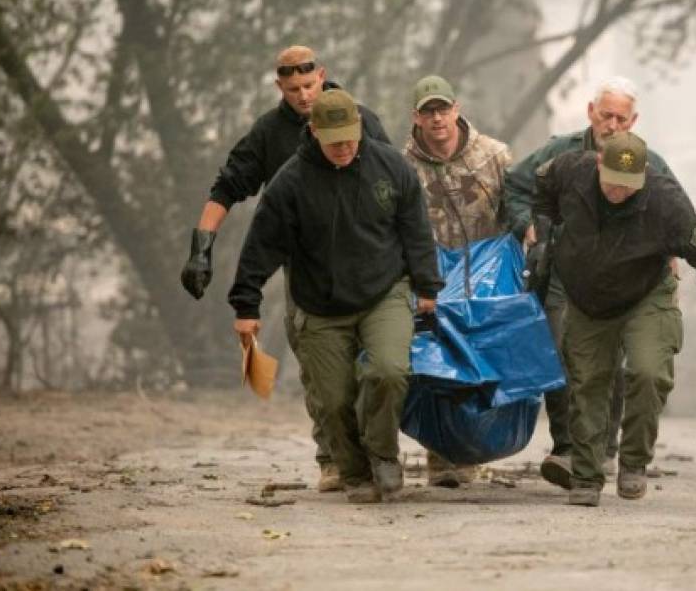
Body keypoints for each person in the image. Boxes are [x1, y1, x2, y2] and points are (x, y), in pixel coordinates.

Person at [180, 46, 391, 493]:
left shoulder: (362, 119)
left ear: (323, 76)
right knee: (319, 364)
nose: (303, 95)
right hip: (307, 265)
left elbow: (393, 182)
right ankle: (331, 457)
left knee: (374, 362)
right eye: (293, 89)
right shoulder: (270, 133)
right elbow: (228, 186)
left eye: (309, 85)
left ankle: (373, 452)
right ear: (280, 88)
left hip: (365, 259)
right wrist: (202, 247)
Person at [228, 88, 443, 503]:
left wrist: (427, 285)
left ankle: (382, 453)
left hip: (384, 291)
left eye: (349, 138)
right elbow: (261, 245)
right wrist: (246, 304)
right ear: (313, 132)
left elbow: (415, 229)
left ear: (360, 128)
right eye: (333, 141)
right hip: (320, 303)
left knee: (388, 371)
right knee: (333, 398)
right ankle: (354, 471)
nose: (343, 148)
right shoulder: (290, 182)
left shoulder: (391, 167)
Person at [534, 131, 696, 506]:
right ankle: (585, 475)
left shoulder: (666, 201)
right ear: (598, 163)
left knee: (648, 372)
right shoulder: (570, 170)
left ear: (644, 174)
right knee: (587, 382)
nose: (619, 192)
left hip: (646, 294)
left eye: (628, 185)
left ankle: (633, 461)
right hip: (587, 297)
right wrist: (545, 236)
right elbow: (542, 187)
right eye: (613, 182)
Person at [504, 76, 679, 489]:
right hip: (565, 274)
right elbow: (515, 185)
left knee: (615, 363)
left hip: (627, 282)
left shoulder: (649, 162)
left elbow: (674, 212)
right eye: (606, 116)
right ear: (590, 113)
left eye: (622, 118)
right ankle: (567, 447)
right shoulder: (559, 152)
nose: (612, 125)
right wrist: (526, 225)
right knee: (562, 353)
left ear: (632, 121)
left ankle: (605, 449)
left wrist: (671, 256)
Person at [401, 74, 513, 487]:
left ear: (456, 109)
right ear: (416, 116)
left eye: (442, 109)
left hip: (488, 281)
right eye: (428, 111)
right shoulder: (403, 166)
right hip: (432, 280)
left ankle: (473, 450)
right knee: (437, 368)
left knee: (483, 369)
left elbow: (516, 208)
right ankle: (441, 454)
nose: (437, 119)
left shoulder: (495, 156)